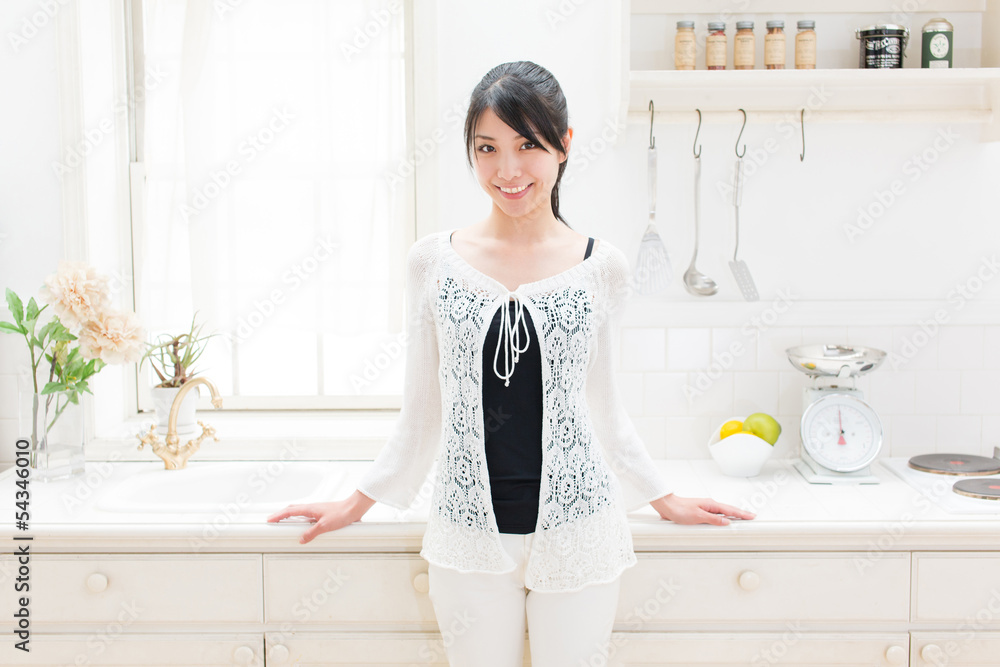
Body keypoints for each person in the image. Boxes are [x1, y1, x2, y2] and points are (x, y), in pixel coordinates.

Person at [267, 60, 755, 667]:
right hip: (466, 533)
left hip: (580, 530)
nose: (507, 170)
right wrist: (355, 502)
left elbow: (603, 406)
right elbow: (421, 412)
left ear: (564, 146)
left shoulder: (603, 267)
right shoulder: (433, 263)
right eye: (487, 148)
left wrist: (664, 497)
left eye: (528, 145)